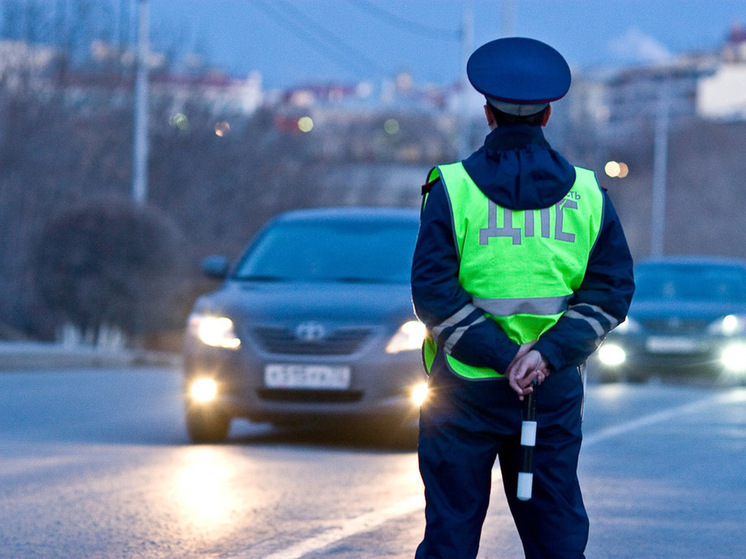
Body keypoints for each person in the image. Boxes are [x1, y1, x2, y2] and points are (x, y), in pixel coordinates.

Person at [411, 37, 635, 559]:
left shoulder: (451, 188)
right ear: (549, 114)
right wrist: (542, 356)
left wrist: (500, 355)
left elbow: (434, 293)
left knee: (450, 537)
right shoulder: (587, 194)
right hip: (548, 395)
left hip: (461, 396)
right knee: (556, 541)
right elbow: (610, 292)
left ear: (486, 112)